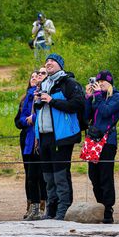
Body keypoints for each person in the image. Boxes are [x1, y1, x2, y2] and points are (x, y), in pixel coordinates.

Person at [33, 53, 84, 220]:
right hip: (44, 135)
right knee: (47, 176)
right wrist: (38, 101)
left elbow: (77, 104)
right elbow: (42, 108)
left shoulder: (68, 83)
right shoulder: (44, 83)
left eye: (52, 61)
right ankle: (51, 210)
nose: (48, 63)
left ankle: (63, 211)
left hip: (62, 136)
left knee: (60, 175)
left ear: (60, 65)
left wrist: (52, 100)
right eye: (47, 61)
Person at [84, 70, 119, 224]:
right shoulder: (96, 97)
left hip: (108, 141)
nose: (100, 85)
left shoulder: (117, 97)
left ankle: (108, 208)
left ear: (110, 83)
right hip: (93, 139)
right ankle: (100, 204)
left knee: (106, 175)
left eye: (103, 83)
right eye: (98, 83)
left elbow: (106, 112)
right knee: (93, 175)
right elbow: (86, 116)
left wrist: (98, 95)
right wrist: (88, 98)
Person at [17, 68, 47, 221]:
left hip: (41, 138)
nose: (36, 77)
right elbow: (20, 118)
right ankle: (33, 206)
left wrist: (33, 118)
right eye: (34, 76)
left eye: (40, 75)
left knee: (42, 175)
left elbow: (45, 112)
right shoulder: (27, 97)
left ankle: (43, 206)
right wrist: (27, 120)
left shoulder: (46, 92)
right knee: (30, 175)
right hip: (28, 139)